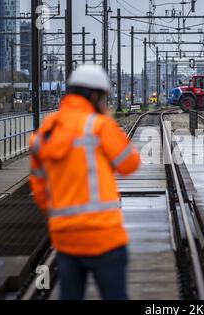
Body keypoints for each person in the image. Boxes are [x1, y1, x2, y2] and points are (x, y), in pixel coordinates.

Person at [29, 65, 141, 300]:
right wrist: (109, 122)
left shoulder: (45, 133)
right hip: (104, 236)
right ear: (95, 96)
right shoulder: (98, 125)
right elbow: (129, 163)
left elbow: (40, 192)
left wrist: (62, 216)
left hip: (65, 238)